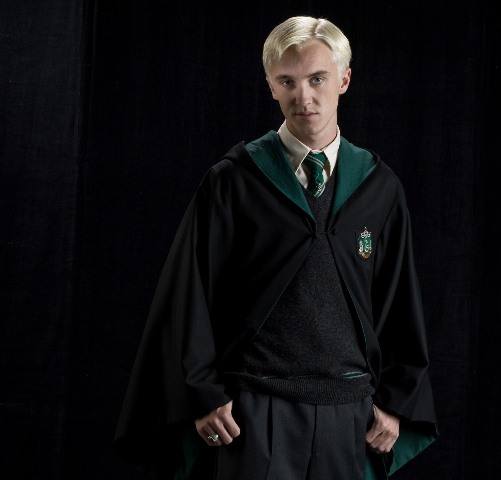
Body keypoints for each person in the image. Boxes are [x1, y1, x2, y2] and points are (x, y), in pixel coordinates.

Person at [114, 15, 437, 480]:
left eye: (317, 78)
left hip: (350, 414)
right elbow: (189, 294)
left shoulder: (378, 186)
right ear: (270, 86)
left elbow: (399, 300)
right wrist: (203, 394)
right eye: (287, 81)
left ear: (344, 80)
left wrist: (396, 400)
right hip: (253, 411)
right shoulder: (234, 181)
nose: (303, 96)